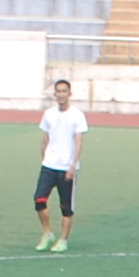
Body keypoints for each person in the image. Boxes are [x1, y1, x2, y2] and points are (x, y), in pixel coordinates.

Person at [33, 79, 89, 251]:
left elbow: (79, 142)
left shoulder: (77, 115)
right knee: (39, 199)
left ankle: (63, 240)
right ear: (55, 94)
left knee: (66, 207)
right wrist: (45, 159)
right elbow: (45, 139)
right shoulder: (49, 114)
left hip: (66, 168)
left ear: (69, 94)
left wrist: (73, 165)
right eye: (58, 91)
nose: (61, 94)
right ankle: (47, 233)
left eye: (64, 91)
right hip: (49, 166)